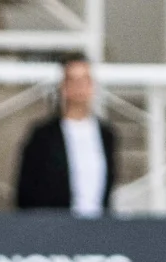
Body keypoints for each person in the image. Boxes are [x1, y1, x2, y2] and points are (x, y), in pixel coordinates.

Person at [13, 53, 117, 216]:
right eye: (73, 80)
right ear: (63, 86)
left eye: (84, 80)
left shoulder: (106, 135)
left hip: (97, 229)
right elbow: (25, 192)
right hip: (57, 228)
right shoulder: (43, 136)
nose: (79, 87)